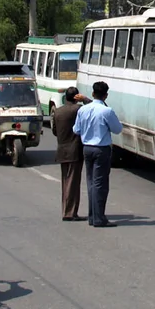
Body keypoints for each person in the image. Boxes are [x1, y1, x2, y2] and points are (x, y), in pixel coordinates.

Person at [73, 81, 123, 228]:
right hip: (101, 149)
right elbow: (117, 129)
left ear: (93, 93)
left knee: (91, 183)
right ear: (106, 95)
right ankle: (99, 218)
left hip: (87, 148)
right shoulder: (106, 111)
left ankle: (92, 216)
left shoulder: (83, 110)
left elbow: (76, 130)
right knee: (100, 184)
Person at [52, 87, 91, 222]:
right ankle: (70, 213)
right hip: (75, 150)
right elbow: (95, 107)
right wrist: (85, 99)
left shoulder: (58, 111)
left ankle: (66, 210)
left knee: (65, 182)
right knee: (73, 183)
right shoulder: (78, 109)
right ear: (76, 97)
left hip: (62, 150)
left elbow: (55, 131)